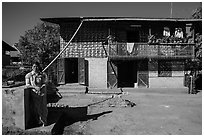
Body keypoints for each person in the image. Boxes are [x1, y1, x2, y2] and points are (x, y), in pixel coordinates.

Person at [25, 62, 48, 126]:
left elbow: (44, 82)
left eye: (37, 66)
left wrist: (42, 87)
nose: (35, 68)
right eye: (34, 66)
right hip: (34, 93)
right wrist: (35, 87)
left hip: (42, 93)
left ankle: (44, 121)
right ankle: (38, 121)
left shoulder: (41, 74)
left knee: (43, 107)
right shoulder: (29, 75)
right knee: (37, 108)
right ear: (32, 67)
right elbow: (27, 85)